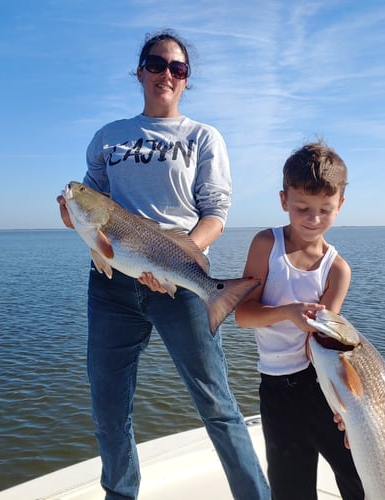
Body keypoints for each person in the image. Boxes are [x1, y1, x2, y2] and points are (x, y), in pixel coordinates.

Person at [57, 29, 270, 500]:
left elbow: (216, 212)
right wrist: (71, 212)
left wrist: (177, 256)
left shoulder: (202, 137)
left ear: (187, 79)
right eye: (156, 64)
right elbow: (94, 207)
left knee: (217, 405)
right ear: (140, 72)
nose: (166, 75)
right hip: (112, 285)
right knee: (109, 408)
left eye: (178, 68)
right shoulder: (108, 138)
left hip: (182, 279)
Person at [235, 141, 364, 499]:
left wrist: (345, 410)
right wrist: (290, 313)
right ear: (283, 201)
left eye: (325, 209)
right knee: (291, 489)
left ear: (340, 205)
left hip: (320, 386)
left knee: (359, 482)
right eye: (302, 207)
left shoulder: (337, 270)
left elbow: (325, 348)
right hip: (276, 390)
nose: (313, 219)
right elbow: (244, 316)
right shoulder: (266, 244)